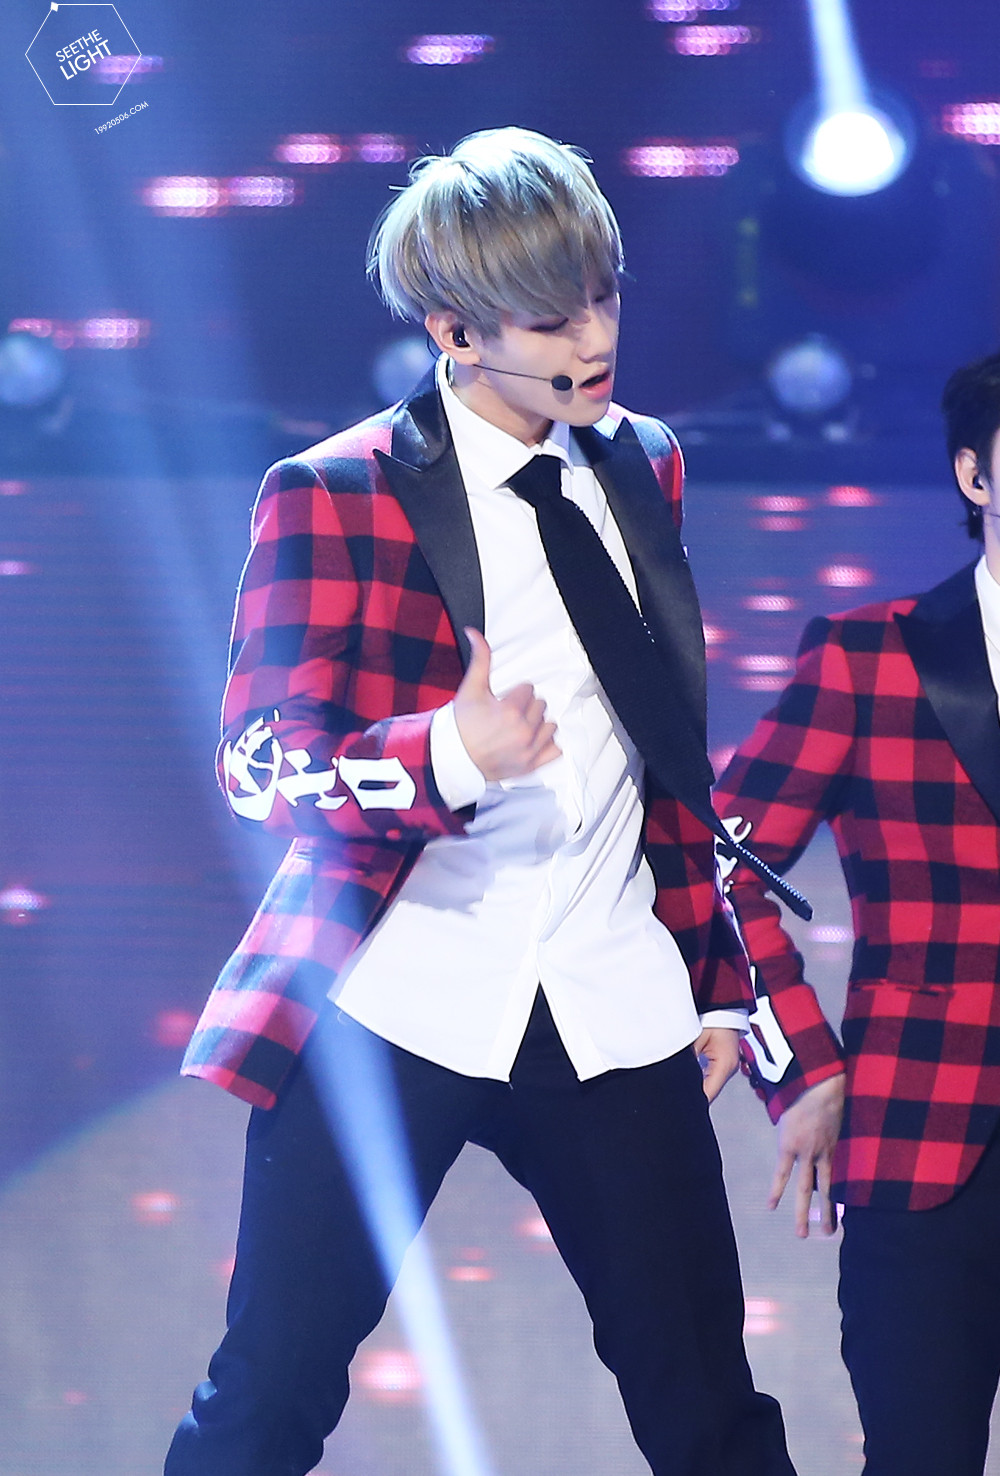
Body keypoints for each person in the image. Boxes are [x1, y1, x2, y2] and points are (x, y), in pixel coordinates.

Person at [166, 127, 798, 1476]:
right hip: (394, 998)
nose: (594, 336)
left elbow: (659, 750)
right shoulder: (334, 493)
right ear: (455, 332)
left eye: (603, 296)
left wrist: (714, 982)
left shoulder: (645, 462)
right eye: (551, 317)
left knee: (709, 1409)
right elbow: (257, 761)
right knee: (269, 1398)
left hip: (607, 996)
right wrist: (445, 754)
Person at [714, 349, 1000, 1476]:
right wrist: (799, 1065)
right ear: (975, 475)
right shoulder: (868, 658)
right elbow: (717, 864)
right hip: (925, 1138)